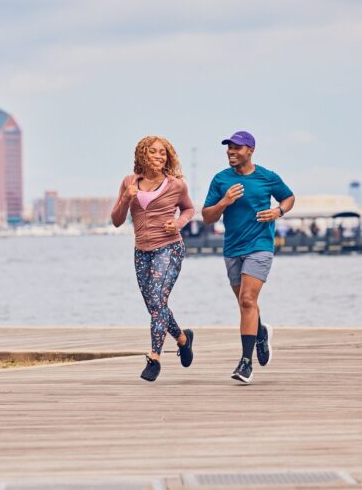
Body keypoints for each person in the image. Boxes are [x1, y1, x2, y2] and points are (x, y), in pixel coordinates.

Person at [202, 131, 295, 384]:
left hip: (260, 245)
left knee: (247, 299)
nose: (231, 152)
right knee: (246, 305)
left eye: (237, 148)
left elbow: (288, 196)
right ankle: (261, 332)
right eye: (229, 148)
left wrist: (278, 211)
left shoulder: (267, 177)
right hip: (232, 248)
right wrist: (225, 201)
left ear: (250, 150)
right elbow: (208, 217)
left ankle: (245, 363)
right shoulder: (221, 180)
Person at [111, 135, 195, 382]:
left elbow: (190, 209)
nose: (159, 157)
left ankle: (155, 357)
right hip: (141, 251)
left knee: (158, 300)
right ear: (142, 155)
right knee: (154, 306)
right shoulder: (129, 182)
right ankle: (182, 339)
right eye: (154, 152)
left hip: (169, 248)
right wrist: (127, 197)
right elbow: (116, 220)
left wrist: (178, 223)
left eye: (163, 153)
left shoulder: (176, 185)